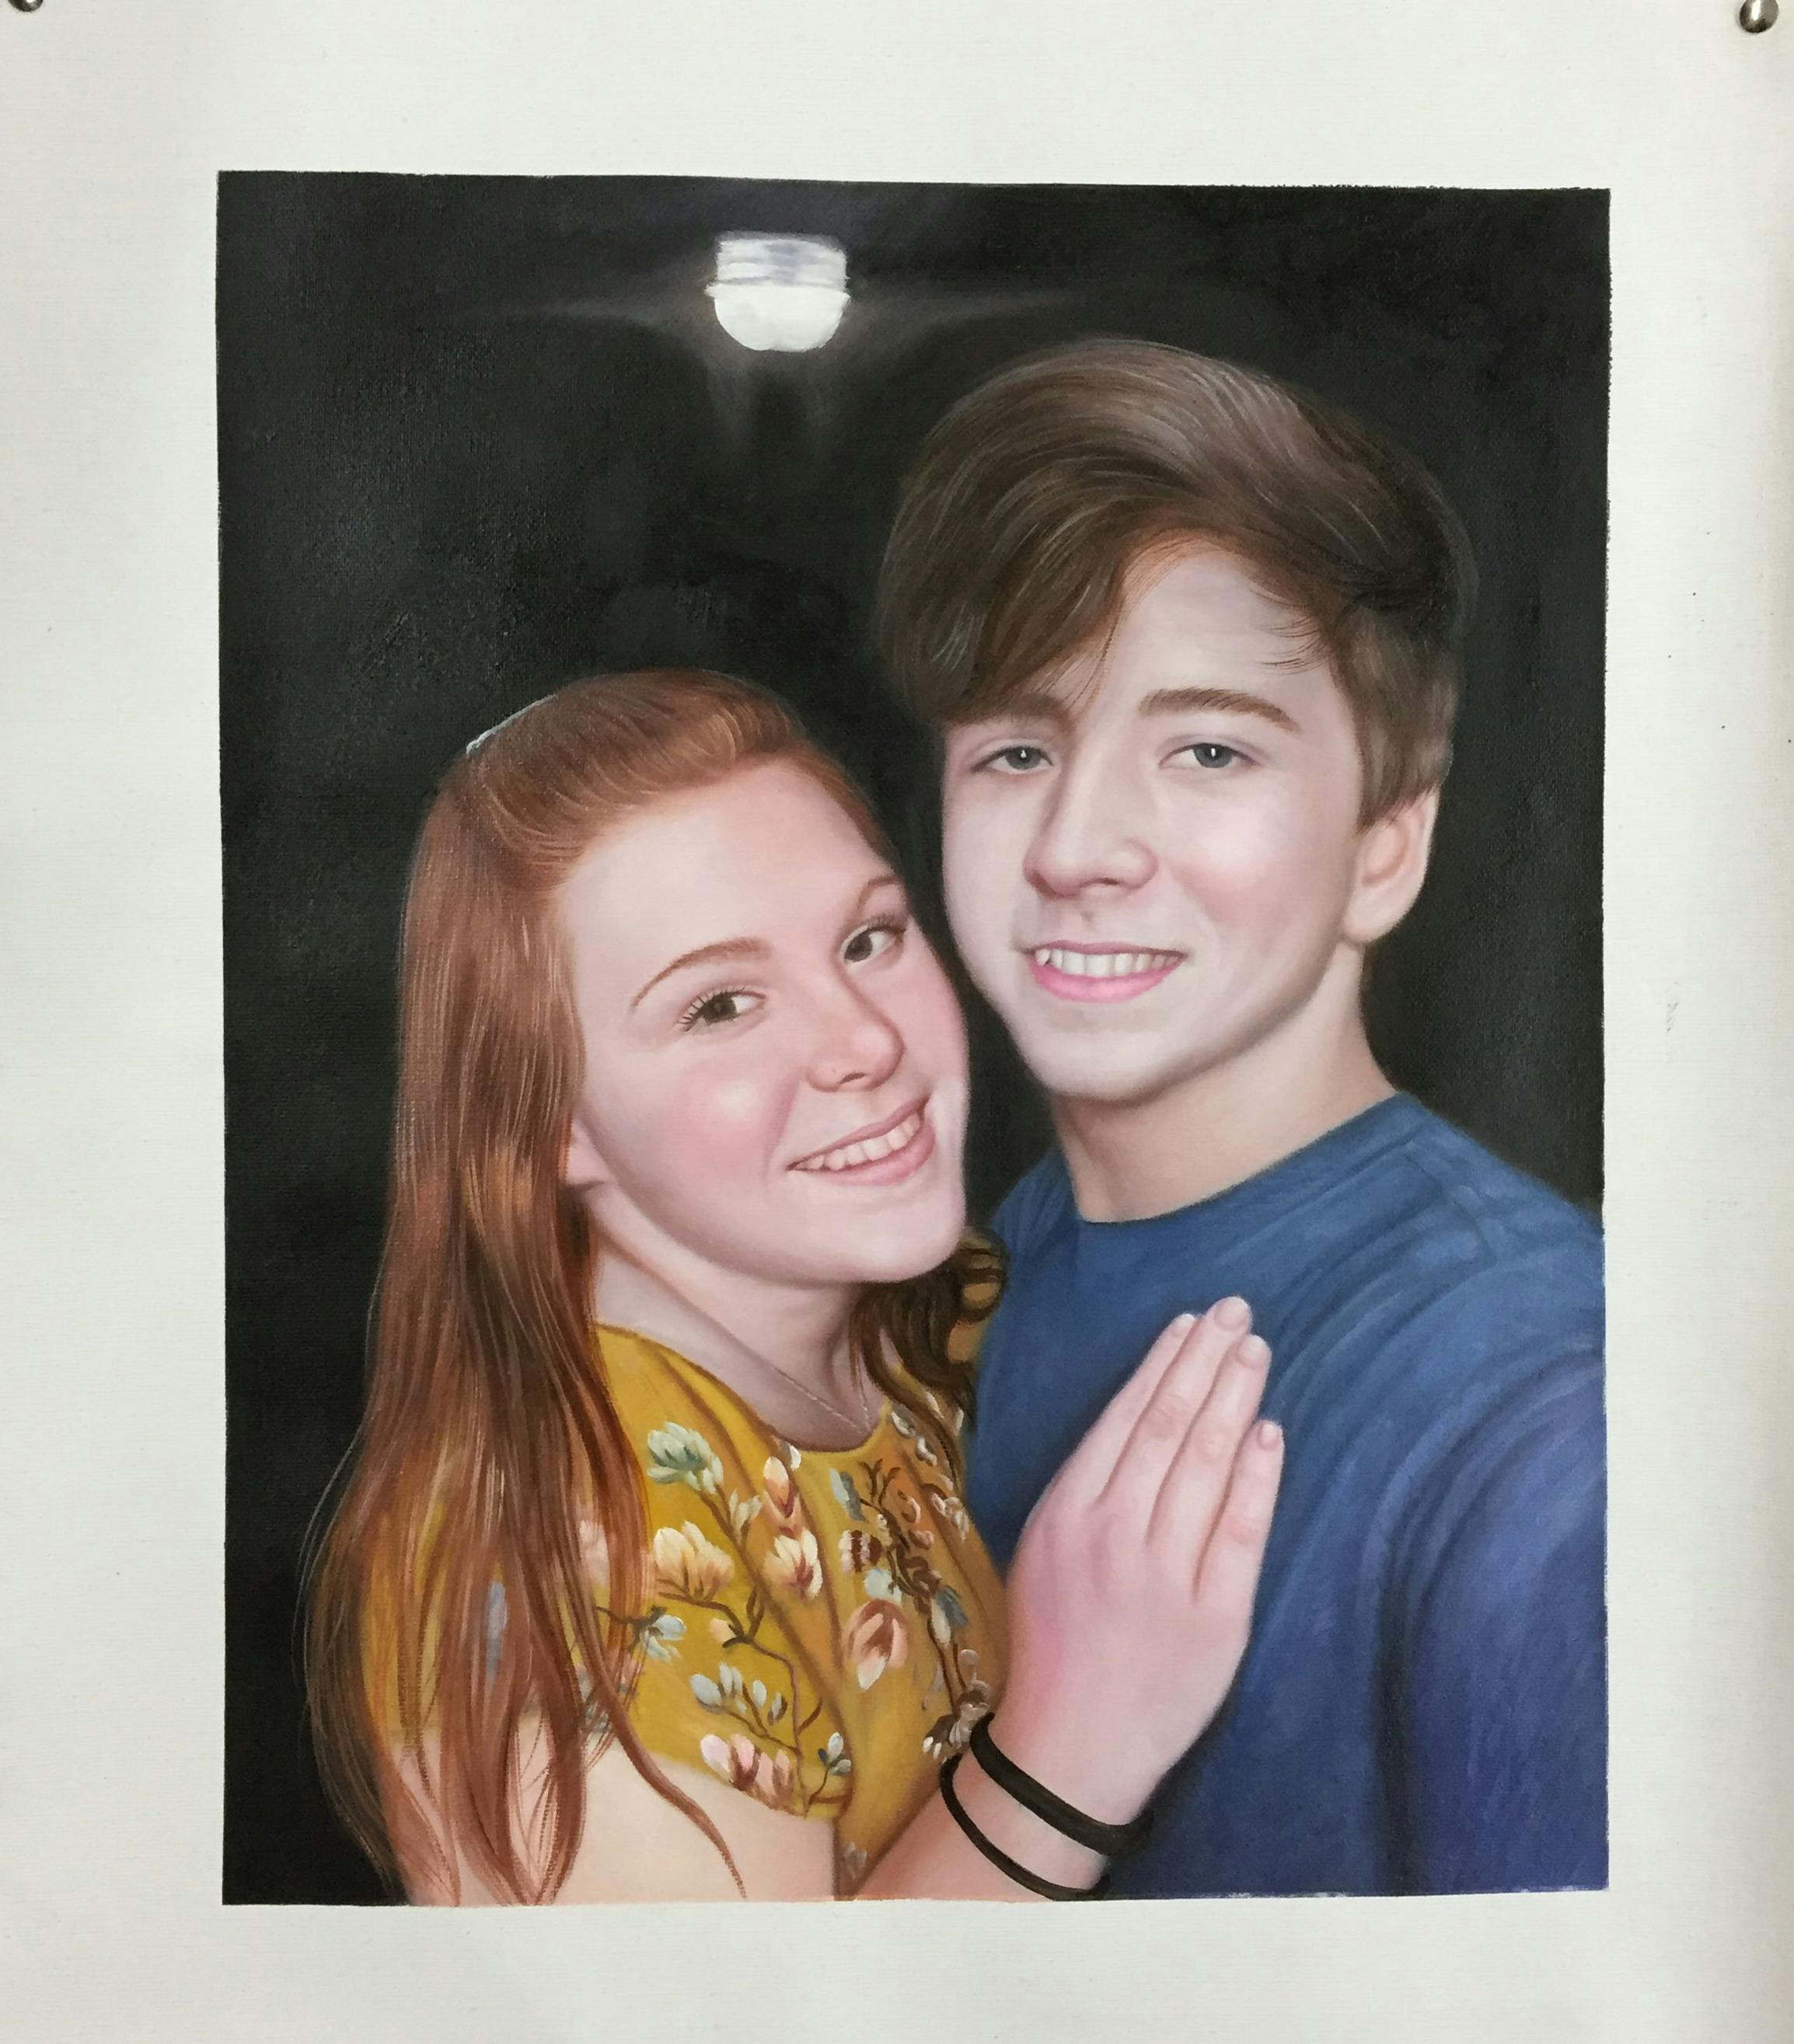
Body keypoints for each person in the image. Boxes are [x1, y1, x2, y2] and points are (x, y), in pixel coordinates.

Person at [305, 668, 1286, 1905]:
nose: (866, 1040)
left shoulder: (946, 1316)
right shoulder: (563, 1557)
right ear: (548, 1122)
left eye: (870, 939)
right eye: (722, 1004)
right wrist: (1071, 1746)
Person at [877, 340, 1607, 1896]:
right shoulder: (988, 1260)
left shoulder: (1547, 1421)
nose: (1074, 844)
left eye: (1206, 749)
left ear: (1383, 849)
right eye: (1018, 748)